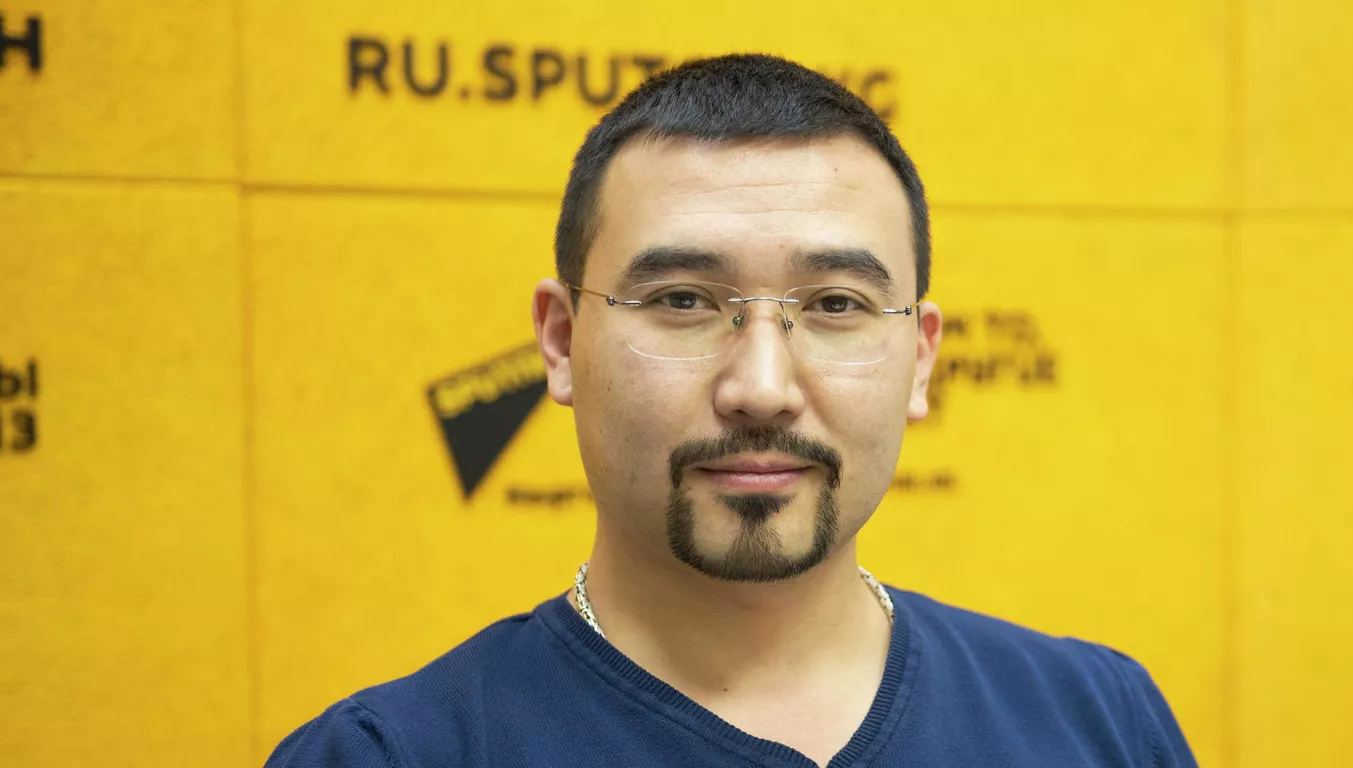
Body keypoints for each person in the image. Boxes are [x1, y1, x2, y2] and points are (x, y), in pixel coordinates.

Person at [267, 53, 1197, 767]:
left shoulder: (1097, 722)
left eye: (835, 305)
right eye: (683, 300)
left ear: (920, 359)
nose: (761, 387)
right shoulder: (393, 754)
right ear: (559, 341)